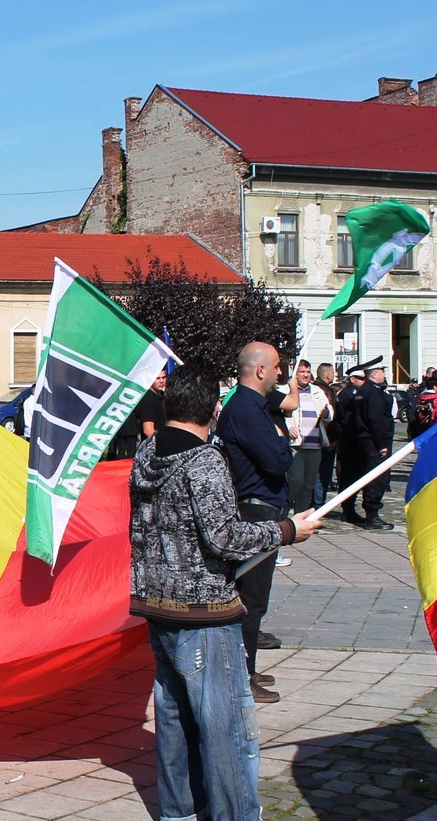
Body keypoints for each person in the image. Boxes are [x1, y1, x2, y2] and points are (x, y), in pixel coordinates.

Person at [130, 365, 321, 821]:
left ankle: (180, 811)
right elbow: (225, 537)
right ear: (213, 408)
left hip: (156, 601)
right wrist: (287, 530)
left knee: (174, 717)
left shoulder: (147, 452)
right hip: (204, 611)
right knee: (225, 725)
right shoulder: (205, 459)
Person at [214, 342, 295, 703]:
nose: (280, 374)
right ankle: (240, 675)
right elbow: (276, 461)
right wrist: (282, 441)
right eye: (276, 367)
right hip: (255, 511)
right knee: (251, 599)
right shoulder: (246, 410)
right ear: (261, 370)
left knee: (254, 599)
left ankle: (246, 666)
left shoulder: (253, 406)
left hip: (261, 507)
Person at [337, 362, 397, 530]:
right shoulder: (373, 393)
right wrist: (381, 444)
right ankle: (372, 516)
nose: (384, 374)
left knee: (357, 476)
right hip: (373, 443)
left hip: (363, 442)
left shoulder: (363, 391)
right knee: (376, 479)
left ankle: (350, 510)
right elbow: (375, 420)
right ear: (374, 374)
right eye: (382, 371)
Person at [285, 360, 332, 514]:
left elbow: (329, 411)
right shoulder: (286, 390)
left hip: (314, 444)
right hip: (296, 444)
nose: (305, 375)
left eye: (308, 372)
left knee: (308, 484)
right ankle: (283, 511)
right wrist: (288, 426)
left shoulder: (317, 391)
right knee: (295, 480)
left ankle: (301, 515)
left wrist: (327, 414)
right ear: (295, 373)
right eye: (302, 372)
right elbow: (279, 414)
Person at [313, 363, 339, 507]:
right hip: (324, 439)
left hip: (317, 438)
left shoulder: (315, 388)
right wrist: (331, 439)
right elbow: (329, 419)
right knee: (322, 474)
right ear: (328, 375)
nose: (335, 375)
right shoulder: (324, 391)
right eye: (333, 373)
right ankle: (318, 505)